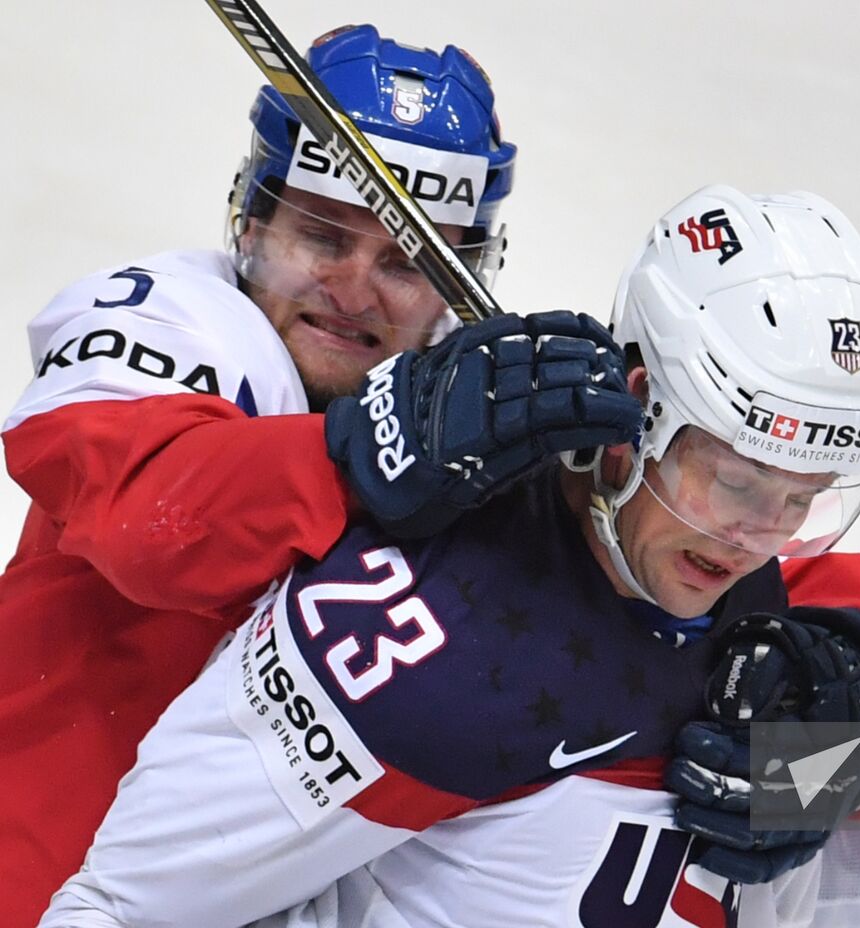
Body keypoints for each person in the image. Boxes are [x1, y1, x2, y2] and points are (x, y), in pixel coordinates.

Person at [38, 185, 860, 928]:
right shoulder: (417, 643)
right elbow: (119, 911)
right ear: (639, 407)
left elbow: (730, 878)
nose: (761, 535)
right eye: (739, 480)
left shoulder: (741, 623)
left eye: (807, 497)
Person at [0, 24, 541, 923]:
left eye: (406, 262)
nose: (354, 290)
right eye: (322, 236)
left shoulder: (491, 440)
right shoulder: (165, 322)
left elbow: (717, 553)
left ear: (457, 287)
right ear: (251, 223)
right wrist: (377, 448)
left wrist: (795, 764)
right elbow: (153, 528)